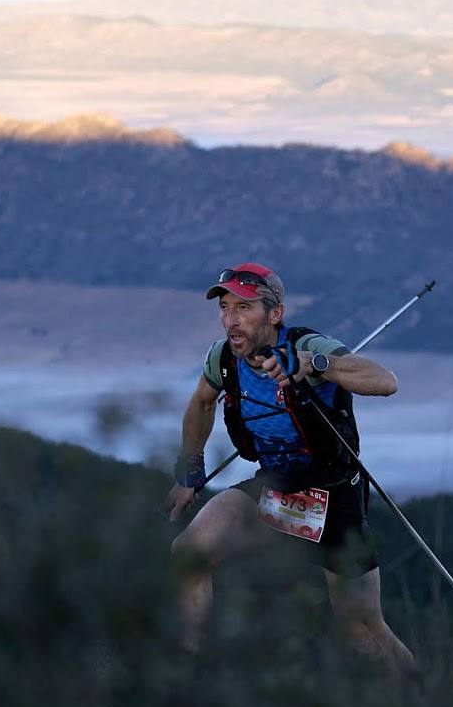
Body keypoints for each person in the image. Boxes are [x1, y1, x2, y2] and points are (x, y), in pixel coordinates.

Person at [166, 262, 417, 679]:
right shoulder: (225, 358)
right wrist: (188, 473)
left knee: (361, 630)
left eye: (244, 309)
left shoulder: (309, 346)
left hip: (333, 497)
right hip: (276, 490)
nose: (231, 320)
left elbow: (384, 381)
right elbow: (202, 403)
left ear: (275, 313)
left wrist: (313, 364)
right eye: (225, 308)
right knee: (189, 555)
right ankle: (186, 680)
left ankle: (423, 705)